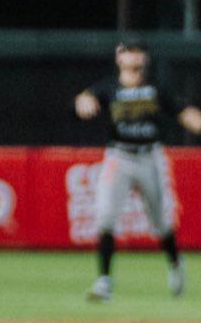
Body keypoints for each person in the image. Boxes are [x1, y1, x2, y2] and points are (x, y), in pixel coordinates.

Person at [75, 40, 201, 301]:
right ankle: (104, 282)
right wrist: (83, 100)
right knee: (106, 216)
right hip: (118, 156)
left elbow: (184, 113)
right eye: (129, 53)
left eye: (138, 54)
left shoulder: (155, 88)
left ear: (145, 59)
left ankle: (175, 264)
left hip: (149, 157)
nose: (135, 60)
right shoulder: (109, 87)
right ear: (120, 57)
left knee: (160, 223)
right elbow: (86, 98)